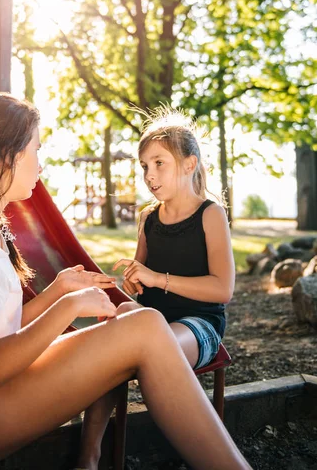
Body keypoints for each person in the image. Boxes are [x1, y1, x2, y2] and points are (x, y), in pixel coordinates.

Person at [0, 92, 251, 470]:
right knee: (145, 325)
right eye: (36, 150)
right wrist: (68, 306)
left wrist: (58, 290)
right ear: (7, 156)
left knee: (139, 323)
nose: (41, 166)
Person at [77, 108, 236, 470]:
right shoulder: (148, 218)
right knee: (114, 333)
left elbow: (223, 289)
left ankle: (200, 455)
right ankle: (88, 458)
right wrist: (134, 281)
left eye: (159, 163)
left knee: (147, 346)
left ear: (188, 163)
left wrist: (157, 278)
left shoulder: (211, 214)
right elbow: (140, 279)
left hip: (199, 326)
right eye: (144, 166)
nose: (149, 175)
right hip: (151, 319)